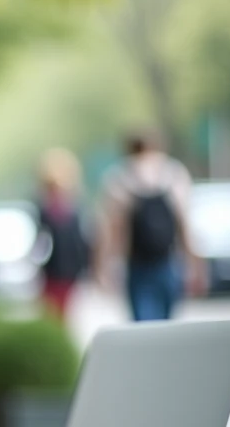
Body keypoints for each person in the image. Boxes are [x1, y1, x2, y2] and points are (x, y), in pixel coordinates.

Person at [95, 131, 206, 321]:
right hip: (168, 261)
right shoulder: (173, 173)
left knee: (143, 326)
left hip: (137, 264)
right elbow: (185, 224)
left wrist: (102, 267)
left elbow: (112, 230)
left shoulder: (120, 178)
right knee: (167, 324)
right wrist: (197, 264)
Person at [35, 147, 90, 320]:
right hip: (56, 270)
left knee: (61, 311)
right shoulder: (50, 209)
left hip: (65, 270)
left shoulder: (69, 208)